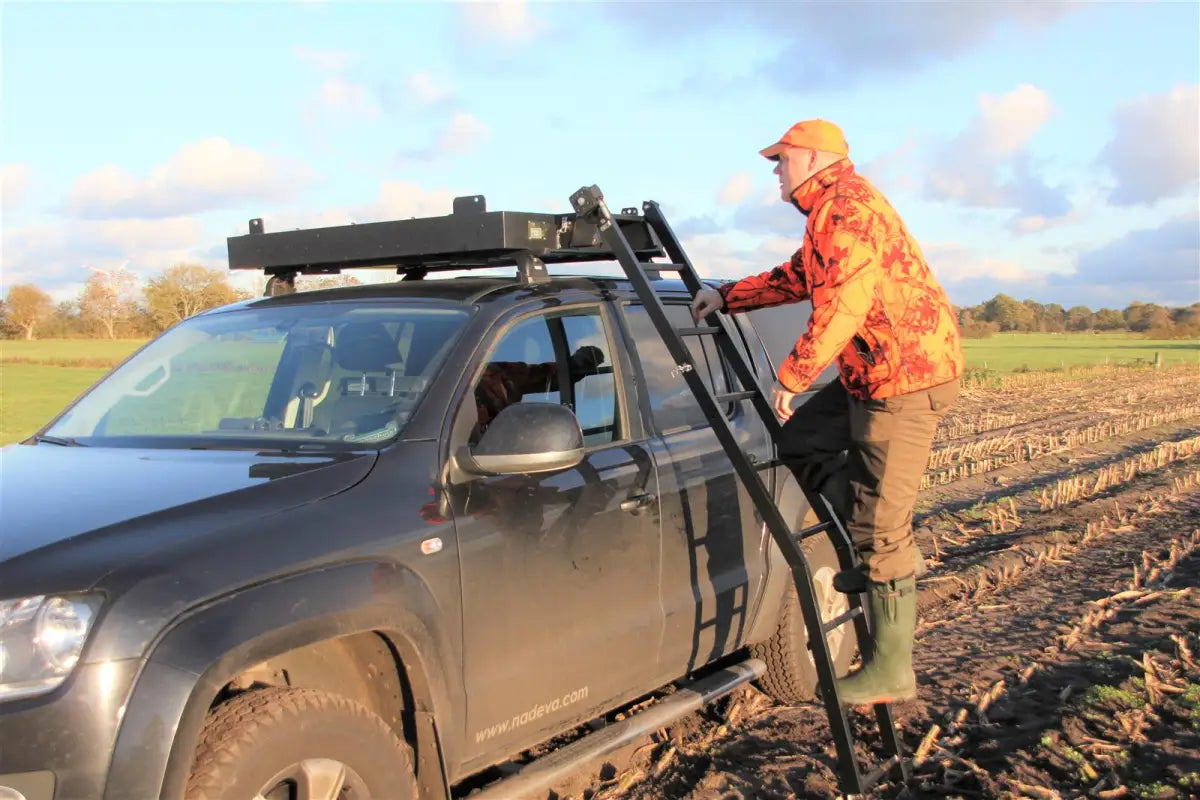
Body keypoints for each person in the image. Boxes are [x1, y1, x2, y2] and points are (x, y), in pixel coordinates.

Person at [690, 119, 964, 707]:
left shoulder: (846, 210)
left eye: (781, 159)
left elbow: (844, 304)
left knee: (882, 528)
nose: (774, 171)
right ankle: (866, 547)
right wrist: (729, 295)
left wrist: (793, 374)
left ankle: (892, 666)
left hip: (904, 380)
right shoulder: (827, 216)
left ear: (812, 158)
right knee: (801, 442)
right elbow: (800, 277)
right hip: (873, 374)